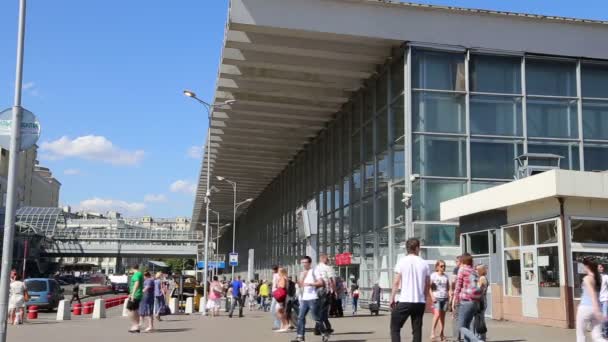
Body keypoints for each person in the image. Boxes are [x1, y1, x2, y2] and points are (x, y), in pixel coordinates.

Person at [390, 238, 430, 342]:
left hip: (405, 300)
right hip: (419, 302)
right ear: (417, 248)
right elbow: (427, 284)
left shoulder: (401, 261)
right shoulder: (424, 263)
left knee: (395, 326)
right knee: (417, 330)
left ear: (407, 248)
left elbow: (396, 282)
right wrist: (425, 298)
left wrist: (392, 297)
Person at [291, 256, 329, 342]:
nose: (304, 264)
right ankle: (300, 336)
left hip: (313, 298)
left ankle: (324, 333)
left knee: (316, 317)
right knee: (300, 317)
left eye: (305, 262)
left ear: (309, 263)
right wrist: (302, 277)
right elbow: (301, 285)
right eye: (302, 262)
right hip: (304, 298)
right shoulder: (302, 272)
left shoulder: (314, 271)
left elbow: (321, 282)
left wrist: (310, 284)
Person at [453, 254, 484, 342]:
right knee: (467, 325)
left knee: (461, 326)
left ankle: (477, 341)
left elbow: (458, 286)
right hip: (475, 301)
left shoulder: (462, 269)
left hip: (465, 300)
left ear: (463, 261)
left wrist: (455, 299)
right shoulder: (473, 271)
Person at [576, 257, 605, 342]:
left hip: (585, 308)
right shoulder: (598, 278)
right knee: (598, 337)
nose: (583, 268)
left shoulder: (587, 278)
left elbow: (592, 293)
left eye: (584, 266)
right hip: (598, 307)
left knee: (581, 335)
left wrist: (596, 309)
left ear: (588, 267)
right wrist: (598, 310)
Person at [315, 254, 335, 336]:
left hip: (316, 291)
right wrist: (334, 290)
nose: (328, 260)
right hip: (325, 291)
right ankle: (322, 328)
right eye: (327, 259)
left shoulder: (316, 268)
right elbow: (331, 280)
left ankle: (322, 327)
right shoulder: (328, 267)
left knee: (320, 310)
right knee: (324, 310)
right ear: (323, 259)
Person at [430, 260, 450, 341]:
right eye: (441, 266)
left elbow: (448, 288)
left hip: (444, 298)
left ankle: (441, 334)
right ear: (437, 267)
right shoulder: (434, 275)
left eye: (444, 266)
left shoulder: (446, 276)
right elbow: (430, 288)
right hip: (437, 298)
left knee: (442, 317)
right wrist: (432, 297)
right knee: (437, 314)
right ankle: (432, 332)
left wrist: (450, 297)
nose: (443, 267)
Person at [128, 265, 144, 333]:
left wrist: (132, 294)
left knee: (130, 310)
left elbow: (136, 284)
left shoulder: (136, 274)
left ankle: (135, 325)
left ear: (132, 268)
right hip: (137, 294)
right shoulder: (140, 274)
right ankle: (136, 326)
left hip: (135, 295)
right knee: (135, 310)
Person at [450, 255, 462, 342]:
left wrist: (452, 292)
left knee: (456, 316)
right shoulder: (469, 269)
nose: (456, 263)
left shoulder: (457, 270)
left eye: (457, 262)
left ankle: (457, 337)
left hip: (458, 296)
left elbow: (453, 282)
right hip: (465, 296)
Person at [274, 268, 290, 332]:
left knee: (279, 311)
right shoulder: (285, 277)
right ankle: (284, 325)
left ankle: (285, 325)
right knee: (281, 310)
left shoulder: (283, 278)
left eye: (278, 271)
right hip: (284, 296)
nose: (278, 273)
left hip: (282, 296)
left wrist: (278, 284)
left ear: (281, 272)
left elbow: (282, 286)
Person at [271, 265, 281, 330]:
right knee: (275, 309)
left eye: (272, 269)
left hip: (277, 294)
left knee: (273, 309)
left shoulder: (277, 275)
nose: (271, 271)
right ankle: (278, 324)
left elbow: (278, 285)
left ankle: (278, 325)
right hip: (275, 293)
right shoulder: (275, 275)